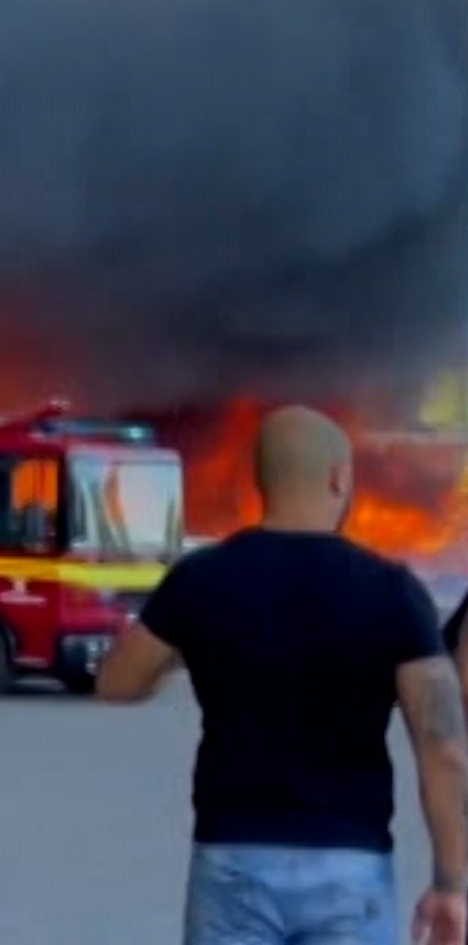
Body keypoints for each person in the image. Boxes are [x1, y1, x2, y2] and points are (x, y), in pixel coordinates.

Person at [96, 405, 468, 945]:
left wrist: (193, 645)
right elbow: (444, 748)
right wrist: (450, 884)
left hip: (232, 862)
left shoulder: (201, 581)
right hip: (351, 867)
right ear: (340, 478)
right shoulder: (393, 592)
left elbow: (116, 683)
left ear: (259, 482)